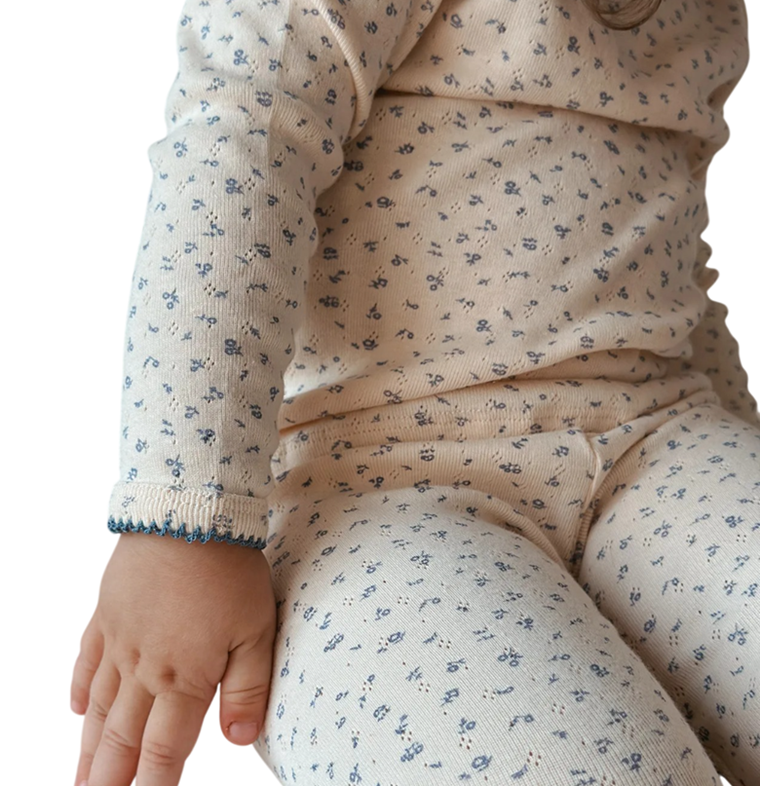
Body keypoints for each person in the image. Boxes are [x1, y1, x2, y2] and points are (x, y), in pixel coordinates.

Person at [70, 0, 759, 784]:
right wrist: (187, 522)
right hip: (371, 484)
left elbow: (669, 245)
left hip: (661, 436)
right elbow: (246, 131)